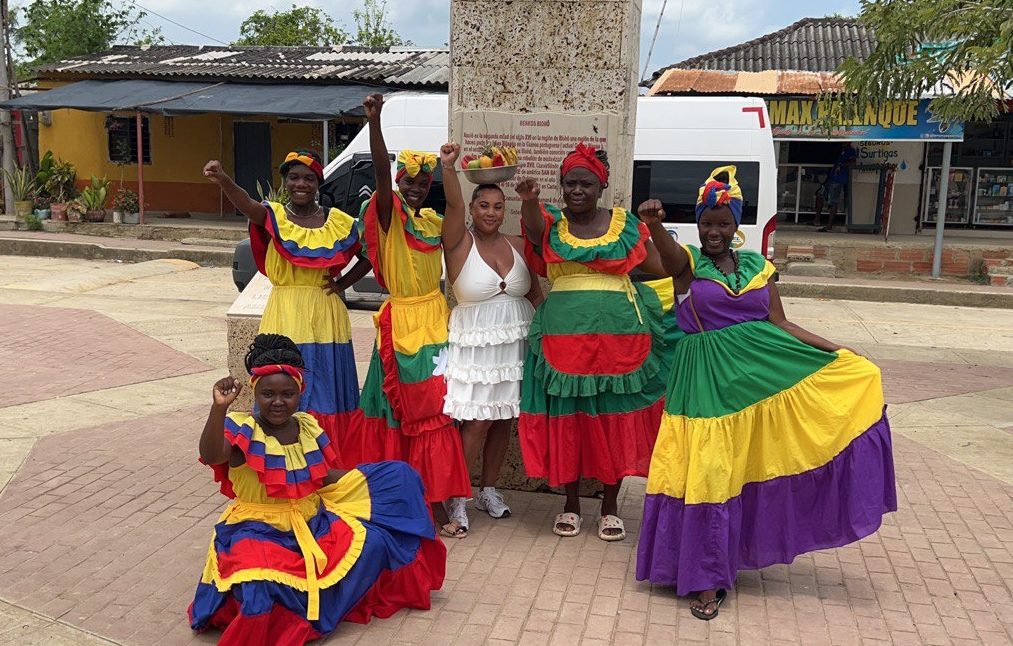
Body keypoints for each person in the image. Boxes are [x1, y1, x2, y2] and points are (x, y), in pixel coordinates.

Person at [635, 166, 896, 620]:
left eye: (722, 222)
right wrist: (656, 224)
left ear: (736, 225)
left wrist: (838, 350)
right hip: (705, 387)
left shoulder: (758, 268)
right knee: (709, 473)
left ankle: (726, 559)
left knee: (748, 469)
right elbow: (668, 254)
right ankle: (705, 577)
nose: (714, 231)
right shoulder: (688, 264)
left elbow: (781, 323)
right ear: (697, 224)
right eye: (706, 222)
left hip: (758, 384)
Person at [189, 334, 444, 645]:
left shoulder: (308, 426)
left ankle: (318, 608)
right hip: (255, 529)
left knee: (377, 539)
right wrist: (219, 410)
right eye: (268, 394)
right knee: (258, 591)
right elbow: (213, 455)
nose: (278, 402)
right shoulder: (243, 429)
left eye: (287, 393)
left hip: (311, 520)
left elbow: (319, 477)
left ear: (300, 392)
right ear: (255, 393)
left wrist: (368, 475)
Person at [514, 142, 672, 542]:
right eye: (570, 184)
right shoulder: (551, 223)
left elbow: (656, 267)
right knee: (571, 419)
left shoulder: (625, 224)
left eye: (585, 183)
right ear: (561, 186)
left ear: (601, 187)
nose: (577, 190)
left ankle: (610, 507)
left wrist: (655, 229)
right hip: (564, 342)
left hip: (621, 340)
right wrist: (530, 200)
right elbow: (532, 230)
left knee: (612, 417)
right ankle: (570, 504)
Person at [353, 93, 472, 538]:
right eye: (410, 181)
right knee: (400, 412)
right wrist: (376, 122)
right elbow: (382, 181)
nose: (415, 188)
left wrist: (447, 166)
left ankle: (434, 500)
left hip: (435, 321)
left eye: (422, 184)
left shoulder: (431, 221)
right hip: (401, 323)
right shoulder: (391, 216)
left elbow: (460, 210)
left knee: (435, 413)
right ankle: (398, 499)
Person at [203, 151, 367, 469]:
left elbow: (369, 254)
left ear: (319, 183)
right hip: (284, 312)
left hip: (326, 316)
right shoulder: (272, 215)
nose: (301, 183)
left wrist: (342, 283)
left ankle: (325, 466)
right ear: (285, 182)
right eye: (294, 177)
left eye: (308, 177)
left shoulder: (338, 222)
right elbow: (247, 204)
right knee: (280, 390)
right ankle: (279, 466)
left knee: (327, 393)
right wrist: (223, 179)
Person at [440, 145, 541, 535]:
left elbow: (534, 294)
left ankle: (489, 489)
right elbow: (452, 207)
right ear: (473, 207)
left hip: (514, 341)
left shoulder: (517, 245)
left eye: (498, 207)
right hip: (475, 343)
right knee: (477, 420)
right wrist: (449, 169)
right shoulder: (458, 241)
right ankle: (458, 497)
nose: (491, 213)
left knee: (504, 419)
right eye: (483, 205)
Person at [814, 142, 858, 231]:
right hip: (831, 179)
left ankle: (829, 225)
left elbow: (853, 162)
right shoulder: (841, 150)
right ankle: (816, 220)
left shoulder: (850, 151)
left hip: (838, 180)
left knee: (833, 202)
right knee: (819, 195)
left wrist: (842, 164)